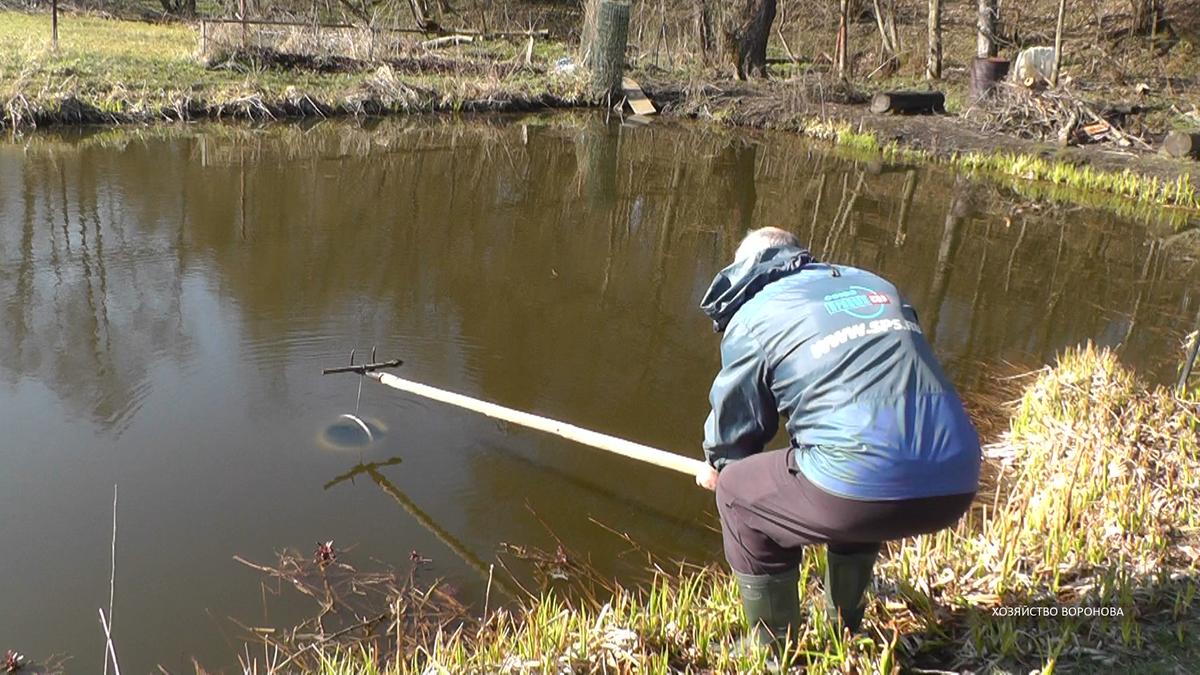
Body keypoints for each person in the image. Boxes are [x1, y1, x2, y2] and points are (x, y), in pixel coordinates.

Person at [694, 227, 981, 656]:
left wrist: (719, 466)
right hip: (958, 478)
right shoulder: (876, 286)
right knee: (853, 456)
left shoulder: (754, 315)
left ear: (744, 270)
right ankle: (843, 627)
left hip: (864, 488)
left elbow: (737, 431)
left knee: (738, 495)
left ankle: (773, 649)